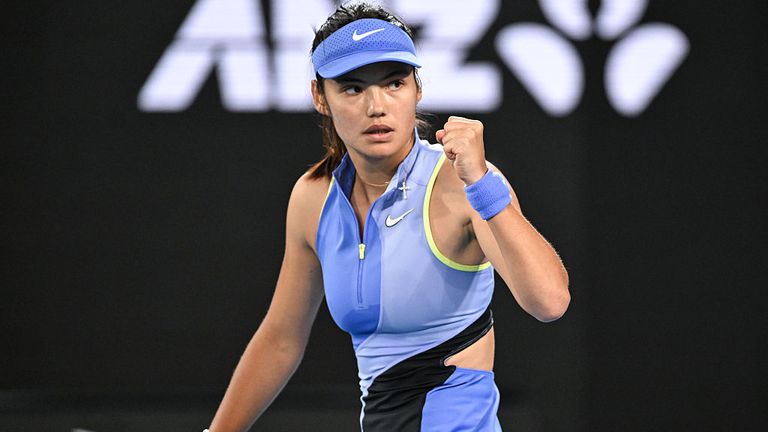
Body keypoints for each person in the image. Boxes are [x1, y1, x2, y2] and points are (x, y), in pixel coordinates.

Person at [206, 3, 570, 431]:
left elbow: (549, 302)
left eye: (394, 83)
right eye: (353, 88)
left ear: (417, 89)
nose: (376, 106)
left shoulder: (462, 184)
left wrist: (481, 183)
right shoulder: (312, 198)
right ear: (319, 97)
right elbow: (282, 337)